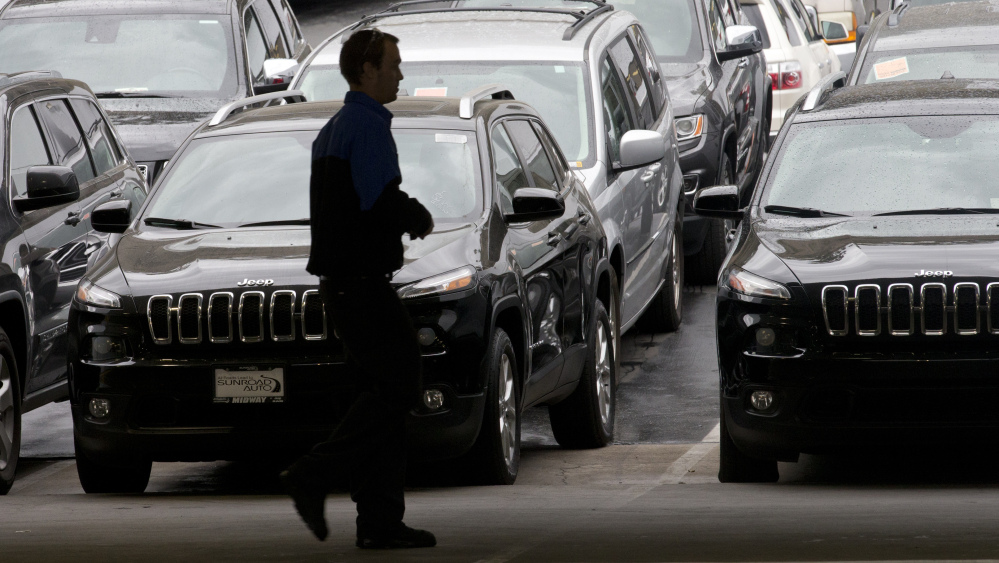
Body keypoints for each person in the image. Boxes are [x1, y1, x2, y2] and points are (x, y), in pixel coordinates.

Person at [280, 27, 436, 550]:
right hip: (361, 287)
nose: (400, 73)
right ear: (367, 69)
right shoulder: (366, 125)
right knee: (399, 384)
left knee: (379, 397)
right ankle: (314, 473)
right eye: (393, 63)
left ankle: (379, 521)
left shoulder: (335, 127)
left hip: (343, 287)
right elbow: (379, 199)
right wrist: (417, 216)